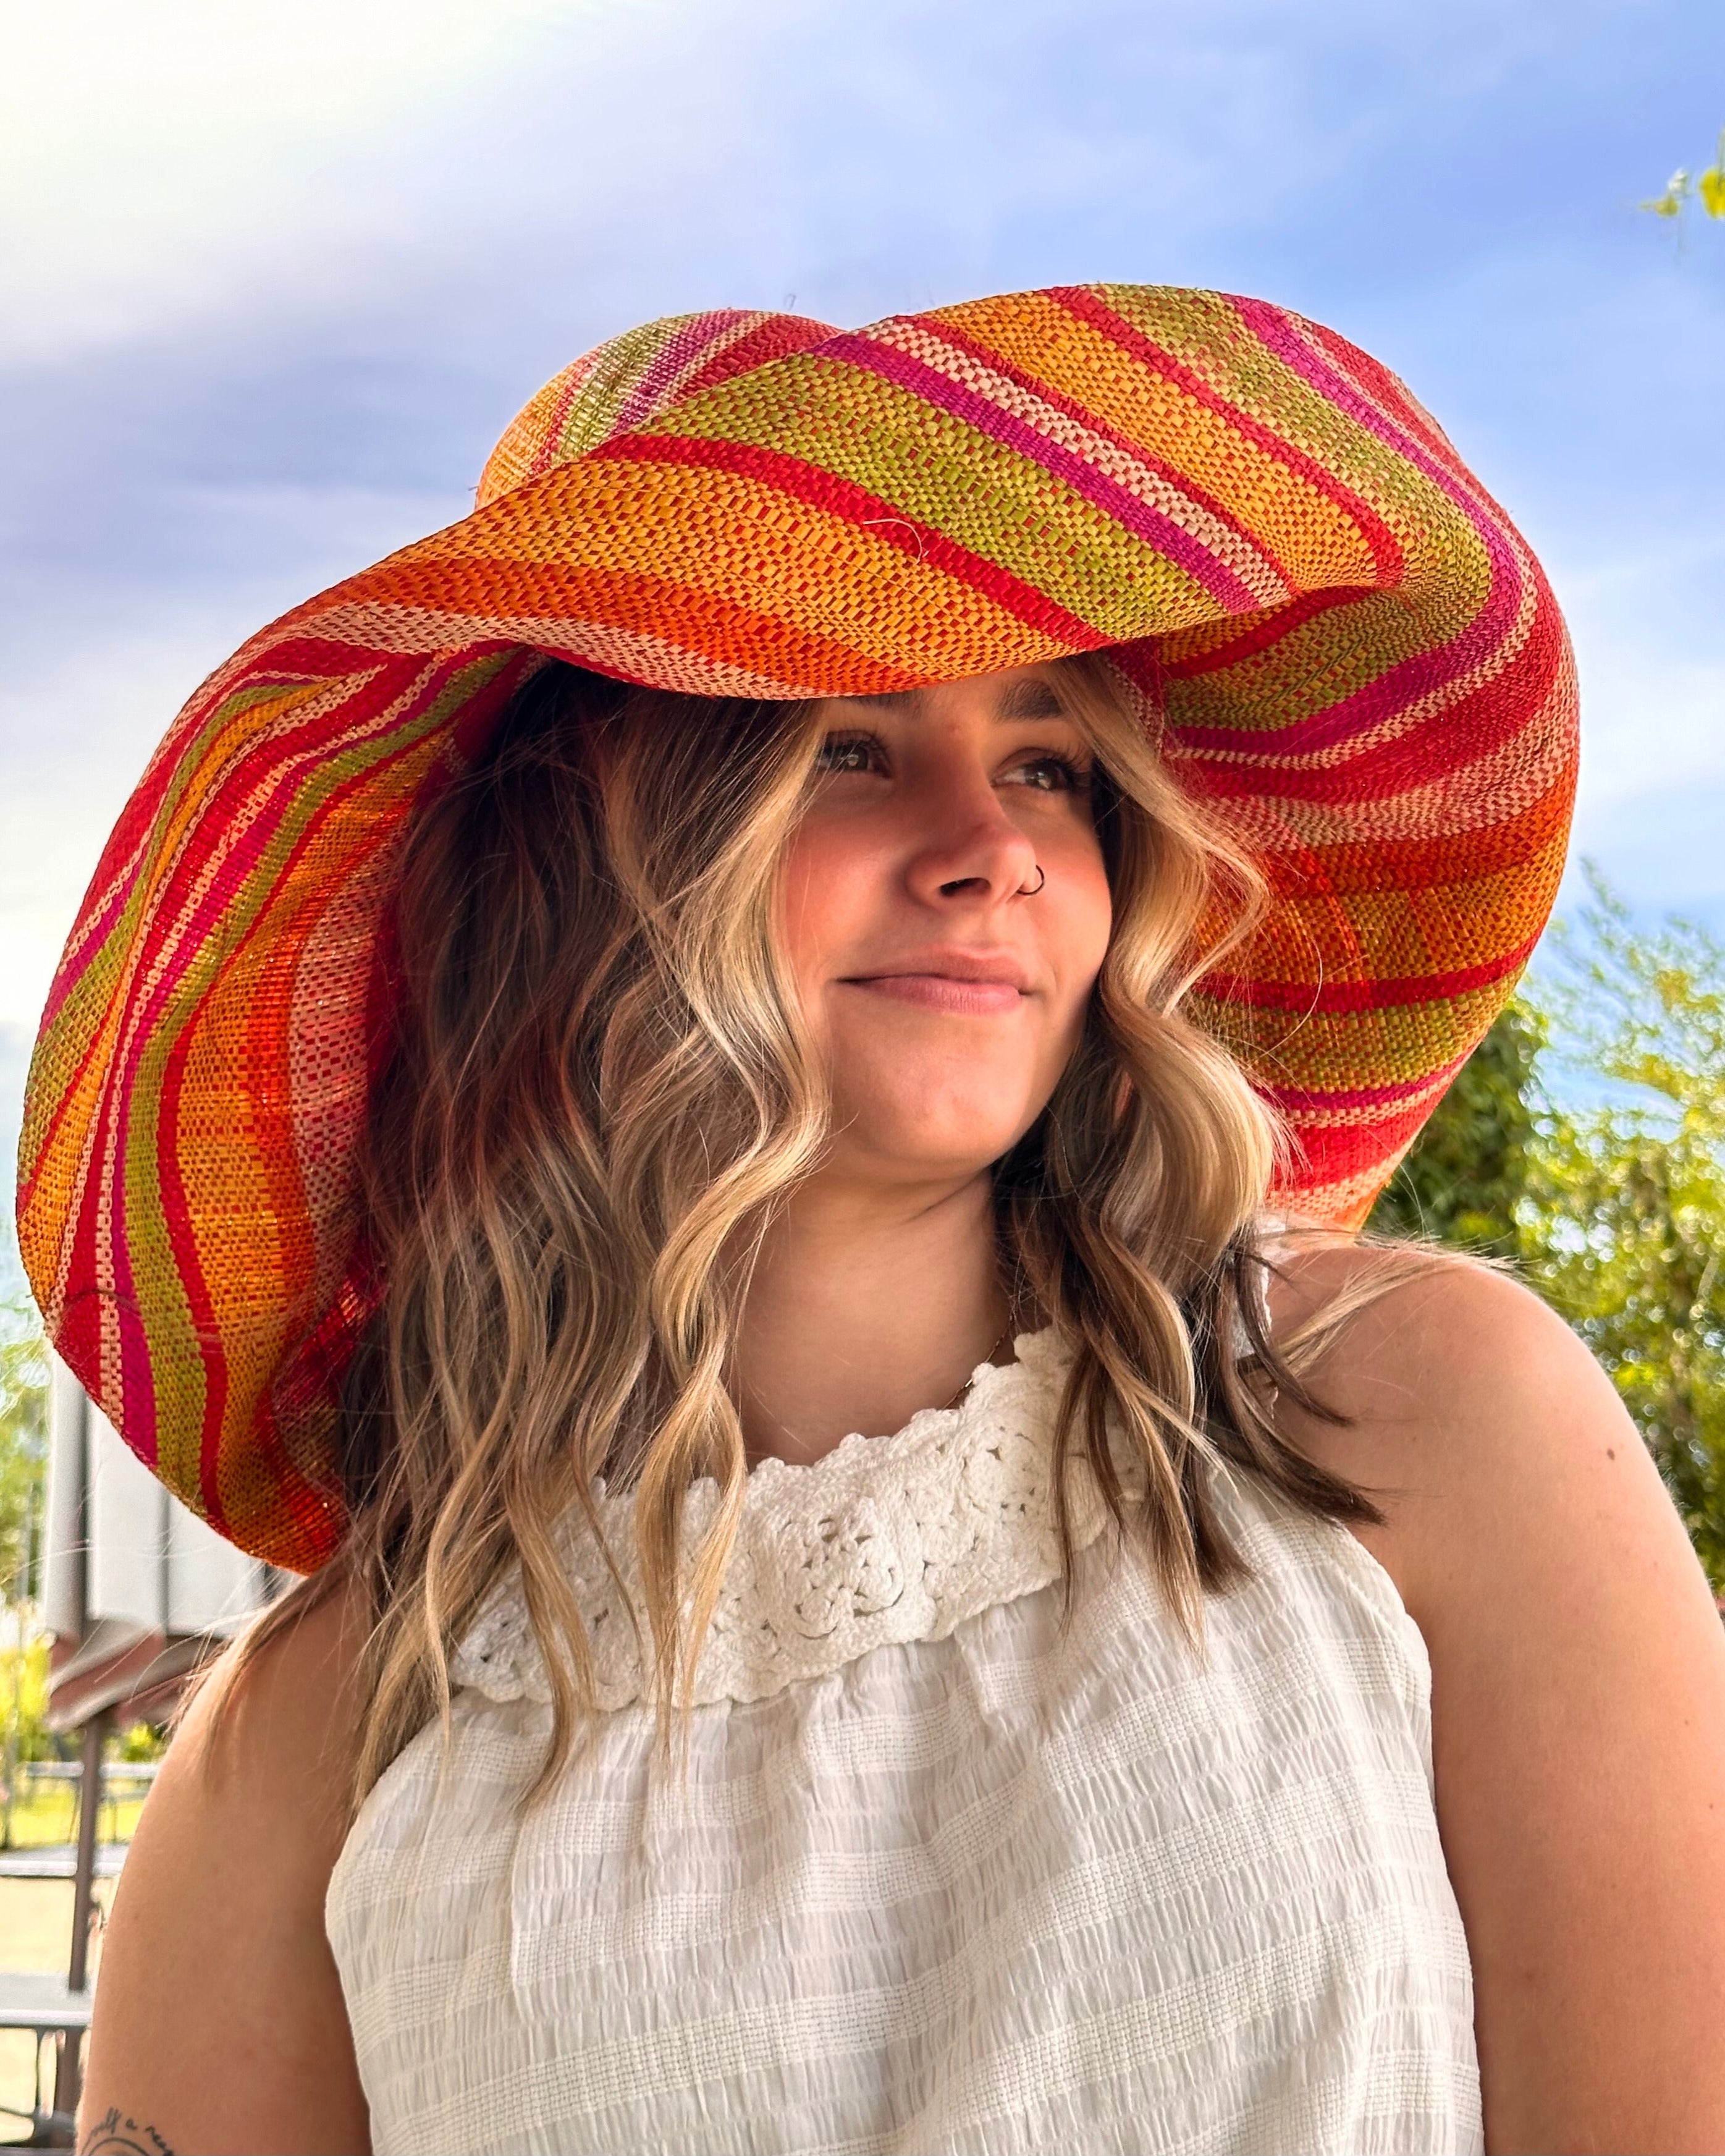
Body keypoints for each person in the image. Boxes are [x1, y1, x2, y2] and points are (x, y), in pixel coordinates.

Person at [18, 289, 1725, 2156]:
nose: (994, 847)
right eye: (847, 746)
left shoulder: (1411, 1413)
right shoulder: (328, 1729)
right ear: (587, 851)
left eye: (1050, 764)